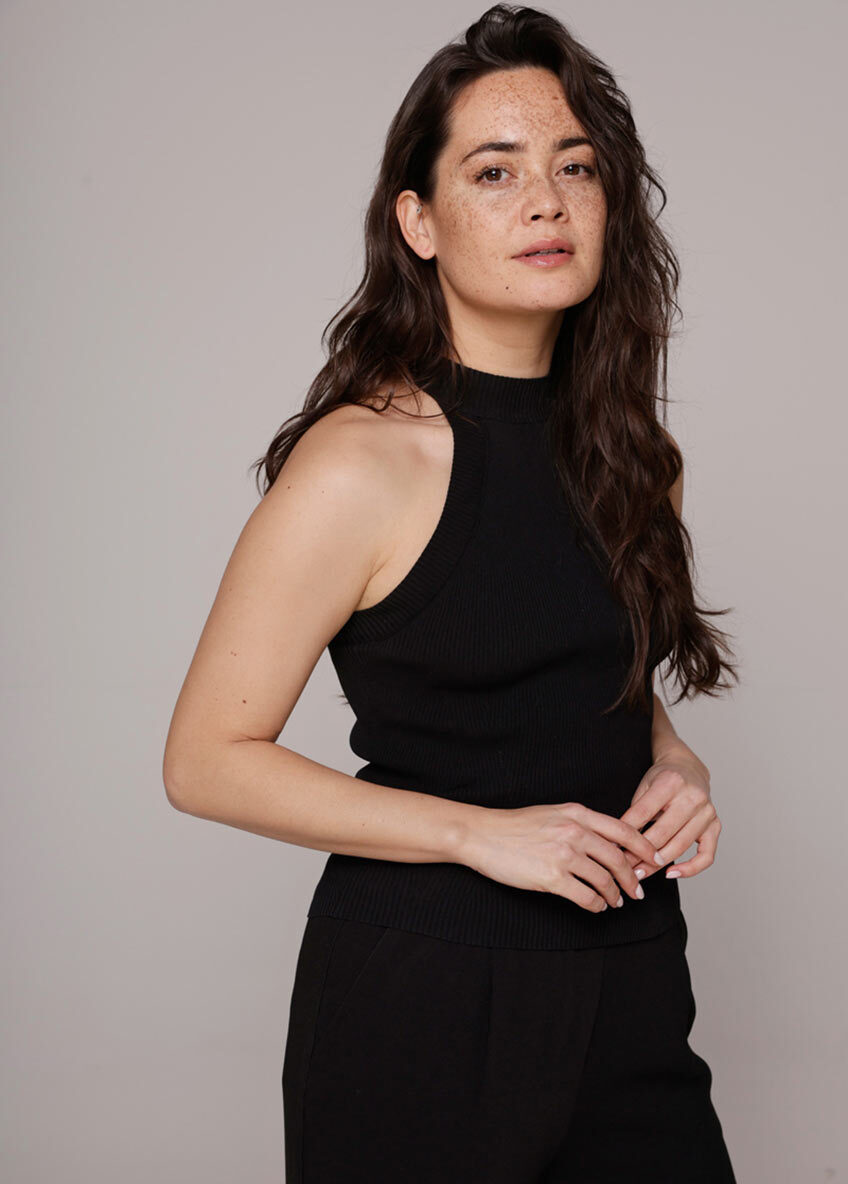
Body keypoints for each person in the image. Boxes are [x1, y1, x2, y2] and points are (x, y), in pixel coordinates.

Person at [163, 5, 740, 1181]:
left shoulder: (636, 459)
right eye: (494, 171)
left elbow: (580, 678)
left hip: (631, 975)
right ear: (416, 224)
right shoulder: (362, 461)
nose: (546, 202)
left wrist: (673, 760)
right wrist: (478, 834)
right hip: (423, 998)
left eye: (575, 167)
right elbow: (204, 759)